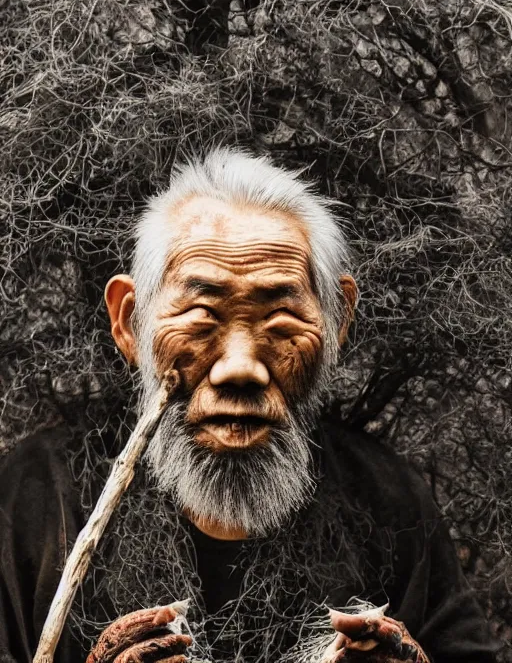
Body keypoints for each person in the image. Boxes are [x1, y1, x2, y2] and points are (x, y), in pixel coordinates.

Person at [0, 149, 497, 663]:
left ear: (336, 323)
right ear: (130, 324)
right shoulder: (39, 500)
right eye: (200, 313)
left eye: (281, 318)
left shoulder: (390, 504)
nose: (241, 369)